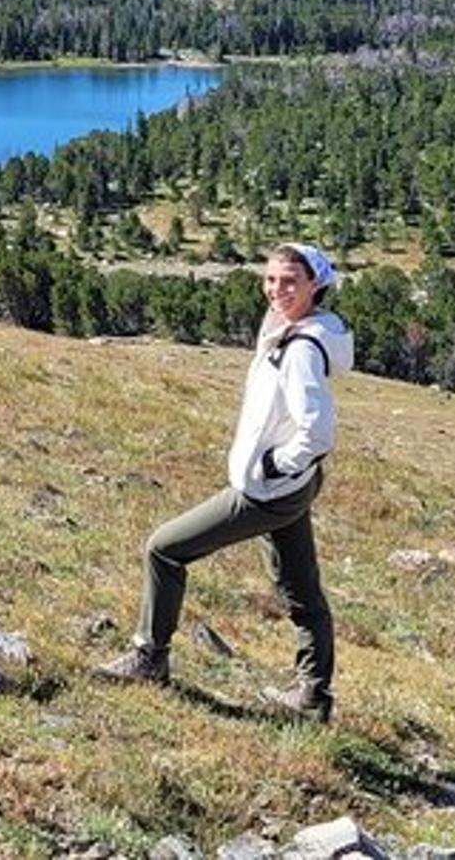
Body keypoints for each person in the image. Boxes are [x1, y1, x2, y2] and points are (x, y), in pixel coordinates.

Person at [94, 242, 355, 721]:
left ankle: (150, 657)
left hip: (267, 491)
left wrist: (276, 464)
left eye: (290, 281)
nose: (277, 290)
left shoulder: (300, 348)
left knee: (164, 549)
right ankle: (313, 697)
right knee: (302, 591)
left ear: (316, 286)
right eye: (271, 279)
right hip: (293, 488)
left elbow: (316, 431)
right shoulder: (294, 329)